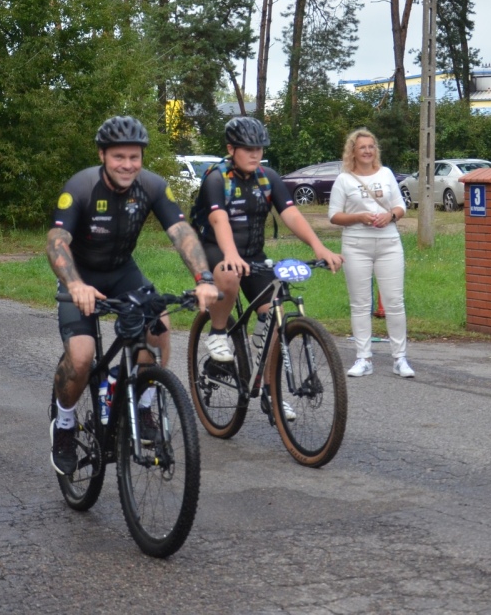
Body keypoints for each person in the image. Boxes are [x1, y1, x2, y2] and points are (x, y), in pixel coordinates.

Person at [47, 116, 219, 476]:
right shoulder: (80, 186)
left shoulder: (153, 186)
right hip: (81, 277)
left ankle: (143, 401)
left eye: (134, 157)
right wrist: (75, 284)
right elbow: (57, 242)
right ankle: (63, 424)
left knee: (160, 327)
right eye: (118, 157)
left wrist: (203, 277)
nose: (127, 164)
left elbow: (182, 231)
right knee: (81, 357)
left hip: (123, 272)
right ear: (102, 155)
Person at [192, 116, 342, 368]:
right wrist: (230, 254)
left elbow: (291, 215)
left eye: (258, 149)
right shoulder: (217, 179)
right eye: (248, 149)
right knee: (229, 275)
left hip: (253, 253)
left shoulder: (268, 177)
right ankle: (217, 333)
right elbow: (219, 220)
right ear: (231, 149)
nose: (254, 155)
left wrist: (319, 247)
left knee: (274, 315)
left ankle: (269, 394)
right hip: (215, 249)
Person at [327, 129, 411, 378]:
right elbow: (334, 215)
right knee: (360, 304)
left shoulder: (385, 174)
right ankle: (363, 358)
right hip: (356, 245)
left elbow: (401, 206)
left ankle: (400, 359)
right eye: (362, 147)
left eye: (371, 146)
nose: (367, 151)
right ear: (352, 151)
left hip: (389, 244)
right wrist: (359, 217)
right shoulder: (344, 179)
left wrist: (390, 215)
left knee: (395, 302)